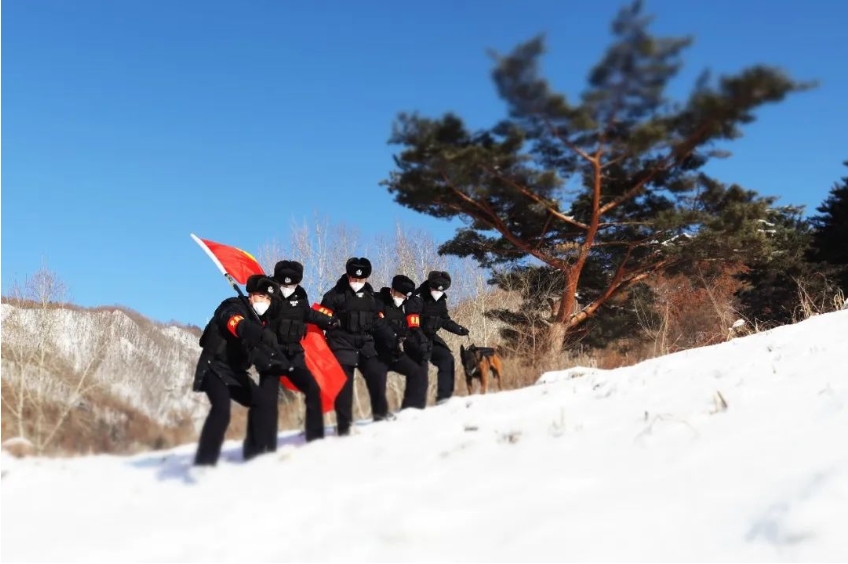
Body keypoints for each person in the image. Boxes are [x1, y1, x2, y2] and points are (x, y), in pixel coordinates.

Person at [192, 274, 289, 466]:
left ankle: (254, 453)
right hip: (215, 367)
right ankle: (204, 462)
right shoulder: (232, 306)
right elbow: (235, 324)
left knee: (261, 402)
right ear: (251, 295)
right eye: (262, 296)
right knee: (221, 411)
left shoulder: (260, 321)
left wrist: (277, 360)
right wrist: (259, 333)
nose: (265, 302)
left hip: (236, 373)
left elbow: (255, 355)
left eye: (269, 299)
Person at [318, 257, 397, 435]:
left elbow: (377, 322)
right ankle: (344, 426)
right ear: (347, 276)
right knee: (343, 385)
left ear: (366, 278)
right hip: (341, 343)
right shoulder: (333, 295)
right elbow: (319, 317)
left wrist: (391, 338)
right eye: (353, 278)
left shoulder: (371, 298)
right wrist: (330, 322)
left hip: (364, 344)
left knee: (377, 373)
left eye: (360, 279)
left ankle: (380, 416)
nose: (356, 282)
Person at [270, 259, 339, 441]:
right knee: (269, 394)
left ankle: (314, 434)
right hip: (272, 352)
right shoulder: (268, 292)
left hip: (294, 352)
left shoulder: (300, 295)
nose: (287, 287)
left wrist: (328, 321)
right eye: (284, 283)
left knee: (312, 388)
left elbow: (308, 314)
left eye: (292, 284)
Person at [374, 274, 429, 410]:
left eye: (405, 297)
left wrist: (421, 343)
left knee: (418, 371)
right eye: (400, 295)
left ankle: (411, 410)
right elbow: (377, 323)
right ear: (392, 290)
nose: (402, 299)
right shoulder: (378, 300)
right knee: (376, 383)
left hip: (393, 353)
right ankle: (379, 418)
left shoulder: (403, 308)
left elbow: (409, 330)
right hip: (375, 352)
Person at [414, 270, 469, 404]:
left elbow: (444, 320)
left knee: (447, 359)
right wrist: (421, 341)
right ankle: (415, 404)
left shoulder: (441, 301)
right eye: (435, 289)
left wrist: (458, 329)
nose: (438, 292)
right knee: (420, 367)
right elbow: (412, 323)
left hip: (431, 337)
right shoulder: (417, 298)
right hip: (414, 337)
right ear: (429, 286)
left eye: (441, 290)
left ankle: (444, 399)